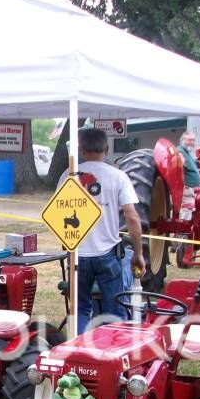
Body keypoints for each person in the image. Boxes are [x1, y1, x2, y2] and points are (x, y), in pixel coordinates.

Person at [57, 127, 145, 334]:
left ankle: (78, 351)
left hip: (78, 254)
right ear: (106, 148)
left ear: (81, 148)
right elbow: (132, 216)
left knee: (80, 309)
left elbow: (59, 213)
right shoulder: (118, 176)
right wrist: (139, 254)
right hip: (108, 253)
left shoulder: (68, 175)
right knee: (114, 310)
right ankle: (111, 352)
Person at [175, 131, 200, 220]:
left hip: (191, 190)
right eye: (189, 140)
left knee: (189, 211)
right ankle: (183, 232)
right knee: (186, 212)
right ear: (182, 140)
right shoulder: (179, 151)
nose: (192, 142)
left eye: (193, 140)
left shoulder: (187, 153)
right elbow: (179, 166)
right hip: (186, 189)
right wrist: (183, 185)